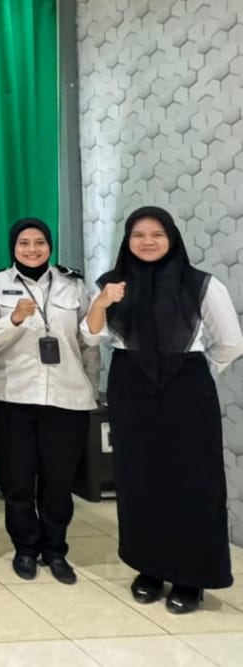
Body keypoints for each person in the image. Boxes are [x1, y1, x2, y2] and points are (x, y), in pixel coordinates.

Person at [85, 206, 243, 614]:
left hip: (186, 390)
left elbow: (230, 342)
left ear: (172, 238)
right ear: (127, 241)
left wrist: (194, 371)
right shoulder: (111, 283)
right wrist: (102, 301)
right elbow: (91, 335)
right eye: (138, 235)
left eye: (157, 234)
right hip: (130, 387)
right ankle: (148, 568)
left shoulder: (202, 285)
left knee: (192, 482)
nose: (147, 242)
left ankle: (191, 577)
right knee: (138, 480)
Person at [0, 218, 98, 585]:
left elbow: (88, 343)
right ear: (13, 248)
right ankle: (25, 548)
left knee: (58, 480)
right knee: (17, 480)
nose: (32, 249)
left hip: (66, 396)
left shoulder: (73, 284)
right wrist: (14, 319)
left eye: (39, 243)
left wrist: (91, 388)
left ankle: (55, 548)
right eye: (23, 243)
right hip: (11, 395)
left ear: (50, 246)